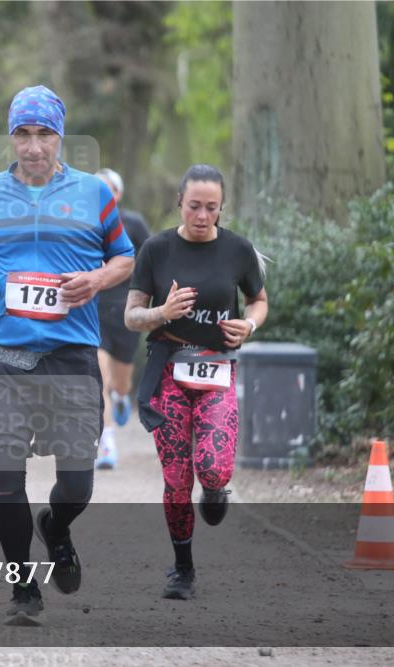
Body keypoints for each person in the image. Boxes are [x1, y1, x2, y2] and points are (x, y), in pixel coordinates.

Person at [0, 85, 135, 625]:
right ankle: (22, 588)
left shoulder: (94, 193)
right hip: (5, 356)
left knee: (77, 482)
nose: (33, 146)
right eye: (23, 134)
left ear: (60, 136)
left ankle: (56, 526)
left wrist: (96, 278)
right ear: (11, 136)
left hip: (72, 354)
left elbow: (125, 257)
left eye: (44, 134)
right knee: (6, 475)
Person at [124, 164, 268, 601]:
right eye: (193, 206)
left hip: (218, 371)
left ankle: (217, 489)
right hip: (169, 371)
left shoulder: (239, 251)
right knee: (176, 478)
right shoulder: (156, 249)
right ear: (179, 204)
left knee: (213, 467)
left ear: (222, 208)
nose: (202, 216)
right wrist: (162, 314)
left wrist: (249, 324)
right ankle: (182, 568)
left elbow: (259, 300)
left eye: (211, 208)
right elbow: (132, 316)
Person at [93, 168, 151, 470]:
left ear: (118, 194)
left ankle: (120, 396)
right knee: (98, 378)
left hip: (127, 311)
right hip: (93, 309)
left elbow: (153, 256)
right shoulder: (84, 223)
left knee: (120, 383)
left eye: (106, 189)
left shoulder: (134, 223)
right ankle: (106, 444)